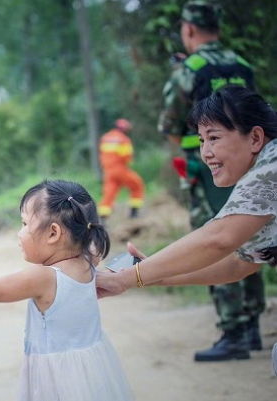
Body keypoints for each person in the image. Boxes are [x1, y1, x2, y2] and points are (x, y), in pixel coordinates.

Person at [97, 86, 276, 364]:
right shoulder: (261, 173)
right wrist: (152, 274)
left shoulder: (271, 166)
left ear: (255, 138)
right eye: (202, 141)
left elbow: (218, 238)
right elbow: (238, 264)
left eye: (214, 138)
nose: (206, 153)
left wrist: (126, 278)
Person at [0, 179, 133, 401]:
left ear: (53, 233)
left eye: (24, 224)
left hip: (56, 381)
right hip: (93, 370)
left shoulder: (44, 276)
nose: (19, 233)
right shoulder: (89, 258)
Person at [157, 0, 264, 361]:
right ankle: (251, 328)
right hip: (249, 164)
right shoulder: (244, 65)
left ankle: (232, 330)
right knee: (253, 234)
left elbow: (171, 125)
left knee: (214, 238)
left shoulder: (192, 68)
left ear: (188, 30)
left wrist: (197, 153)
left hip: (208, 173)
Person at [98, 118, 144, 221]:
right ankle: (134, 213)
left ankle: (102, 219)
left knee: (109, 193)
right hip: (120, 170)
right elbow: (127, 157)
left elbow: (102, 154)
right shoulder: (124, 140)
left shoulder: (106, 137)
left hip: (108, 171)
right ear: (125, 129)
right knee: (137, 185)